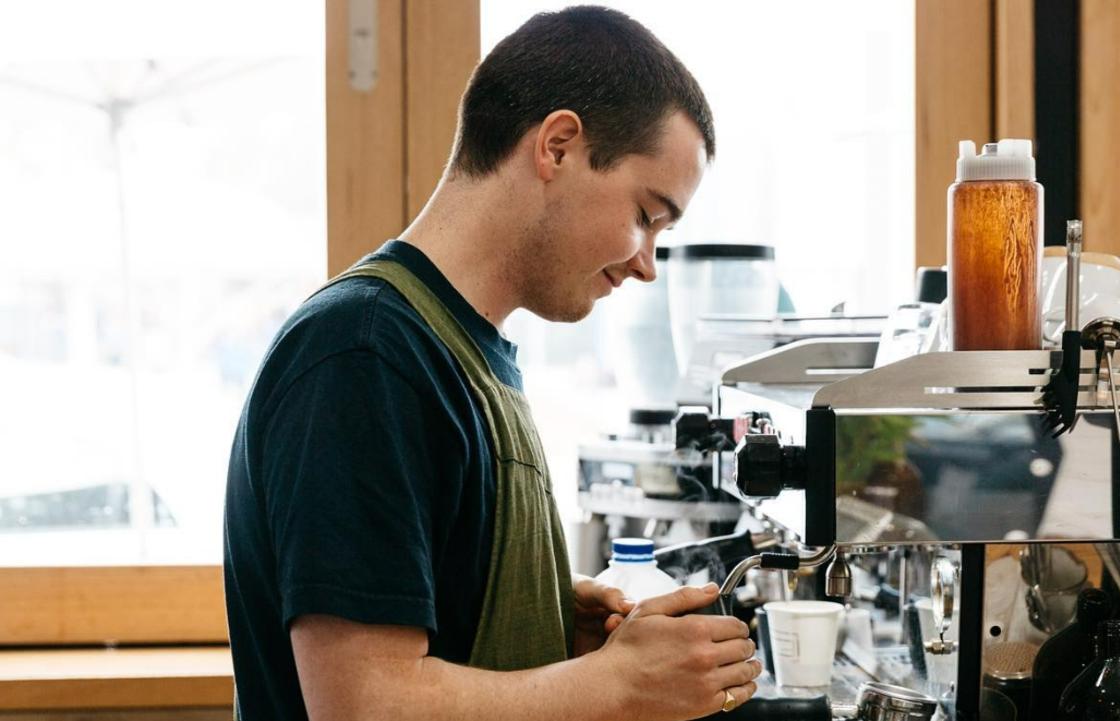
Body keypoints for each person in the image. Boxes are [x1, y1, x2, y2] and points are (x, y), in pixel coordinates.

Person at [223, 6, 760, 720]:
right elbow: (364, 703)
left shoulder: (463, 350)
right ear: (559, 146)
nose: (645, 264)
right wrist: (618, 684)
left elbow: (422, 609)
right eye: (645, 214)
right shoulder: (364, 353)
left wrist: (547, 611)